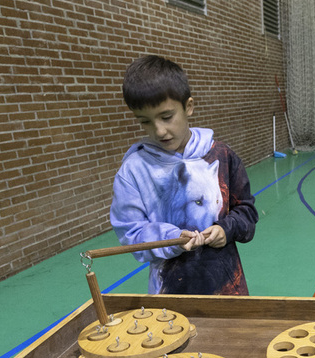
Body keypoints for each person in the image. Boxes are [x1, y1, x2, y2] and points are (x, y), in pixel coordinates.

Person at [109, 55, 258, 295]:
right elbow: (131, 232)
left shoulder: (222, 156)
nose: (159, 130)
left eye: (167, 117)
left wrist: (226, 229)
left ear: (188, 106)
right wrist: (171, 238)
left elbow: (247, 212)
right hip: (170, 293)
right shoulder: (133, 171)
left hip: (227, 288)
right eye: (145, 121)